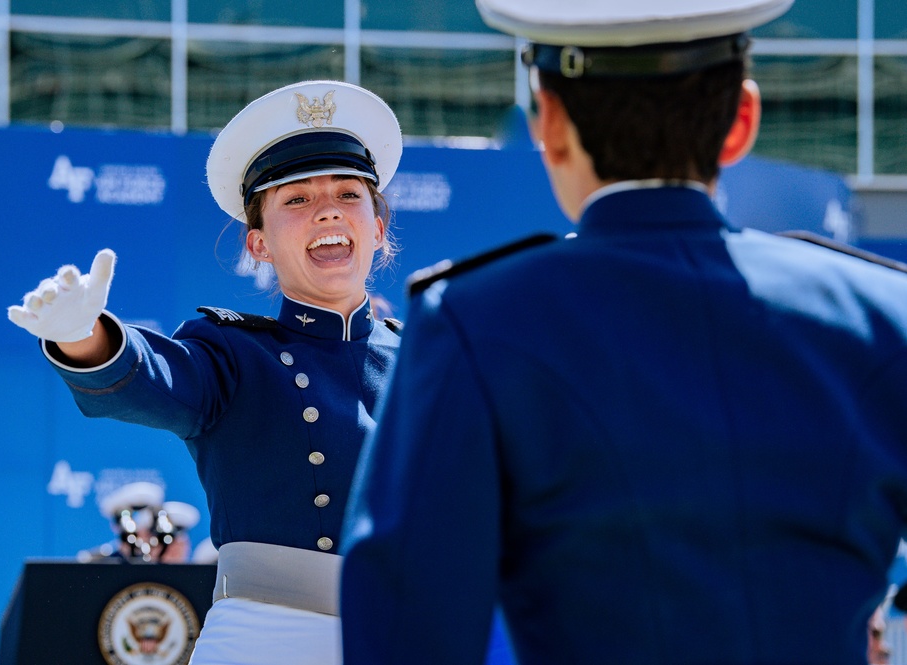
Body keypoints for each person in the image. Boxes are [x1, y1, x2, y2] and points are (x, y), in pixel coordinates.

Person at [338, 1, 907, 663]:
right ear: (741, 120)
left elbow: (407, 630)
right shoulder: (881, 314)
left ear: (546, 123)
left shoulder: (474, 319)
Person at [7, 80, 403, 665]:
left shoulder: (425, 359)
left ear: (377, 227)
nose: (327, 209)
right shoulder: (233, 353)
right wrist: (82, 336)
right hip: (264, 639)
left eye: (349, 193)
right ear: (259, 244)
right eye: (295, 200)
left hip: (407, 633)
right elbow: (156, 378)